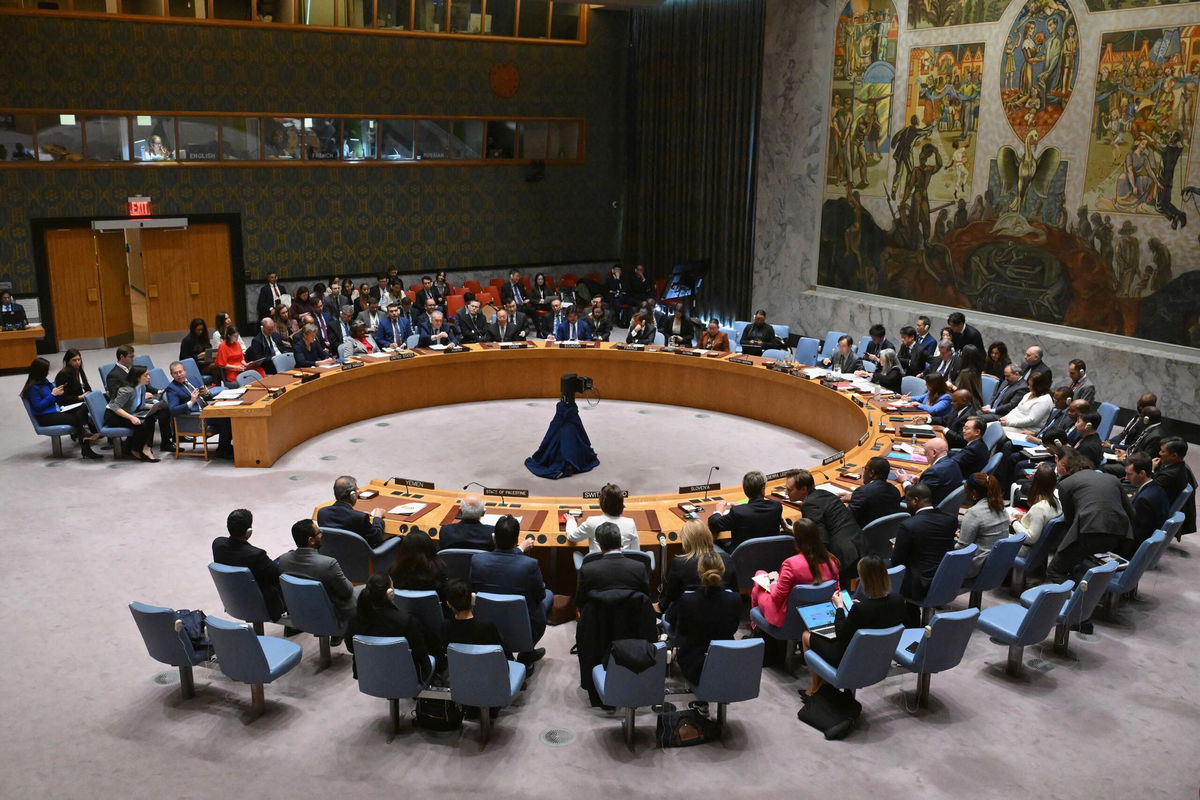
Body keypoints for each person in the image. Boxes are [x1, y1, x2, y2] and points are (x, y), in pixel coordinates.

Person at [799, 555, 905, 697]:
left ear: (865, 579)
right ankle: (820, 688)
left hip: (847, 658)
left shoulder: (861, 610)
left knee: (807, 635)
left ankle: (814, 688)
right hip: (876, 657)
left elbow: (841, 634)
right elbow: (879, 615)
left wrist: (840, 607)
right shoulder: (898, 601)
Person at [469, 514, 551, 664]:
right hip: (523, 622)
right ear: (516, 540)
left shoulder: (477, 560)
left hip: (486, 621)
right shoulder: (530, 564)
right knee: (549, 595)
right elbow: (540, 595)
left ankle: (505, 651)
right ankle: (527, 653)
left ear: (494, 538)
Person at [1047, 455, 1134, 583]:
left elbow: (1070, 520)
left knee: (1055, 570)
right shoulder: (1112, 479)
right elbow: (1131, 512)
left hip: (1088, 532)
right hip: (1119, 535)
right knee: (1074, 560)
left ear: (1070, 470)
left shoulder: (1066, 484)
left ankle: (1077, 599)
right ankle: (1085, 589)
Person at [666, 548, 742, 686]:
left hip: (694, 665)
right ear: (722, 571)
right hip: (726, 661)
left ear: (699, 572)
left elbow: (679, 630)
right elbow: (733, 628)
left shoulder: (687, 600)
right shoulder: (735, 599)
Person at [345, 573, 436, 681]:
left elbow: (351, 648)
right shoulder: (405, 622)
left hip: (369, 676)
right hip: (404, 677)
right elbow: (421, 657)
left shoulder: (355, 619)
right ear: (390, 593)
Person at [751, 518, 839, 629]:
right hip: (819, 613)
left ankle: (755, 627)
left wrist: (774, 580)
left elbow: (778, 598)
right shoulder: (832, 561)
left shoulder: (791, 564)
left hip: (787, 617)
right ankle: (756, 627)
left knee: (760, 577)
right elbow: (836, 591)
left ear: (797, 540)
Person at [784, 469, 864, 586]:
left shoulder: (809, 505)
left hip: (844, 555)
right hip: (860, 544)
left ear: (803, 489)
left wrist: (796, 533)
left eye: (790, 489)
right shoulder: (825, 493)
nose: (786, 492)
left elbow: (821, 540)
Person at [276, 519, 356, 633]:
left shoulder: (283, 560)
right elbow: (347, 591)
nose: (322, 534)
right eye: (319, 532)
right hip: (330, 615)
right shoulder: (328, 564)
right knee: (362, 592)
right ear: (311, 540)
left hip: (300, 612)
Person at [21, 357, 102, 460]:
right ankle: (85, 441)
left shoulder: (44, 382)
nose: (48, 372)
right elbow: (38, 407)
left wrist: (60, 392)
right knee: (76, 419)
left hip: (56, 410)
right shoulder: (33, 388)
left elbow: (55, 394)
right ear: (40, 371)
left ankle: (85, 437)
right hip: (45, 416)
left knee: (82, 408)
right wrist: (53, 395)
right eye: (46, 370)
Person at [212, 508, 283, 621]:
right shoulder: (255, 555)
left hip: (233, 599)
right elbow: (277, 575)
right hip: (261, 601)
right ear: (249, 531)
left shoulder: (217, 544)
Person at [659, 520, 737, 615]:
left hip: (688, 618)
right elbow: (734, 591)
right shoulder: (727, 558)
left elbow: (672, 596)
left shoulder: (680, 563)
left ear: (686, 541)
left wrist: (661, 607)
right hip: (722, 616)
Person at [163, 360, 233, 459]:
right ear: (171, 375)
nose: (179, 375)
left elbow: (204, 397)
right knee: (226, 420)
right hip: (196, 418)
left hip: (206, 410)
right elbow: (173, 410)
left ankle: (225, 447)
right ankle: (222, 450)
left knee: (231, 414)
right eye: (175, 373)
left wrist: (207, 393)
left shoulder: (192, 379)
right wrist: (191, 402)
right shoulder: (172, 389)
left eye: (180, 372)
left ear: (185, 371)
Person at [574, 522, 650, 608]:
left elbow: (580, 602)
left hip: (598, 619)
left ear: (599, 545)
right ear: (620, 541)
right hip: (632, 618)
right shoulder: (639, 568)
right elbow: (646, 598)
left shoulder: (587, 569)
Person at [707, 471, 783, 550]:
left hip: (741, 558)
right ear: (763, 488)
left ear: (745, 490)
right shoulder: (776, 507)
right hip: (770, 555)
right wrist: (744, 507)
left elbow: (714, 525)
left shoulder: (738, 512)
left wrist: (718, 511)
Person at [105, 364, 165, 462]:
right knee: (141, 425)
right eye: (146, 375)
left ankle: (145, 447)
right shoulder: (126, 390)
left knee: (150, 418)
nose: (149, 377)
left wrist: (154, 407)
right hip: (113, 416)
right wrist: (131, 418)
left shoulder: (142, 387)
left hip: (127, 412)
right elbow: (115, 407)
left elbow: (139, 405)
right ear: (137, 377)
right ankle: (136, 450)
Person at [956, 473, 1008, 578]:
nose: (966, 494)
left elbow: (962, 548)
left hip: (975, 566)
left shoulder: (974, 513)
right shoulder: (1002, 507)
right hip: (996, 564)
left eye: (967, 491)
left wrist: (959, 539)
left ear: (974, 493)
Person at [316, 475, 386, 547]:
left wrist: (357, 514)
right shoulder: (359, 518)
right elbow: (377, 538)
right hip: (357, 555)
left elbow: (342, 519)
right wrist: (377, 518)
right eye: (356, 490)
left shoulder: (322, 513)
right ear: (352, 495)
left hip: (331, 552)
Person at [567, 482, 639, 552]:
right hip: (624, 563)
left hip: (597, 563)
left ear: (602, 503)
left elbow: (572, 537)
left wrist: (571, 521)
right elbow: (636, 552)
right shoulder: (630, 523)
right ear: (621, 503)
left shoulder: (592, 522)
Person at [1123, 453, 1171, 554]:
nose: (1126, 478)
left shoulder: (1144, 500)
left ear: (1142, 473)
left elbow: (1136, 535)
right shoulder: (1156, 488)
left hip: (1131, 550)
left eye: (1129, 474)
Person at [897, 437, 962, 506]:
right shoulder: (953, 463)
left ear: (934, 452)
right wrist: (920, 480)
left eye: (926, 452)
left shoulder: (934, 471)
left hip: (929, 509)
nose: (924, 455)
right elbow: (940, 481)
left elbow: (915, 494)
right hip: (946, 504)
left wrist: (904, 481)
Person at [442, 578, 505, 648]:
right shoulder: (487, 627)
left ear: (449, 604)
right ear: (473, 599)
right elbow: (501, 653)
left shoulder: (446, 627)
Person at [1152, 437, 1196, 537]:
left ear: (1174, 455)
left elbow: (1149, 491)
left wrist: (1152, 470)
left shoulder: (1170, 475)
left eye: (1163, 451)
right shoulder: (1179, 467)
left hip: (1155, 514)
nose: (1159, 453)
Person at [1012, 463, 1060, 548]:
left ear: (1035, 482)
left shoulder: (1039, 508)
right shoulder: (1057, 498)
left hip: (1024, 548)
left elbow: (1031, 538)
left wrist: (1013, 522)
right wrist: (1024, 517)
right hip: (1043, 547)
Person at [847, 456, 901, 527]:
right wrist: (855, 498)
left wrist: (837, 502)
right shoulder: (895, 491)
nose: (864, 472)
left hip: (862, 535)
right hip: (887, 533)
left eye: (865, 469)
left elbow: (847, 518)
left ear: (871, 473)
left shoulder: (862, 492)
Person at [389, 530, 447, 595]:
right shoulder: (439, 571)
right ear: (430, 549)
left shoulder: (394, 570)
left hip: (403, 605)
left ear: (403, 550)